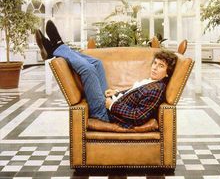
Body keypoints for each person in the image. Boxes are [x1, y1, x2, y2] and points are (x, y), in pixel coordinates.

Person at [35, 20, 177, 129]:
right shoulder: (150, 82)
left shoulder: (156, 90)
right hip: (112, 102)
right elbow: (134, 95)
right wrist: (117, 92)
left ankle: (57, 46)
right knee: (97, 64)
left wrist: (111, 105)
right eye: (155, 63)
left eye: (161, 66)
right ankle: (55, 49)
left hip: (106, 113)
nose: (155, 68)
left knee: (88, 70)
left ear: (167, 73)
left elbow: (137, 116)